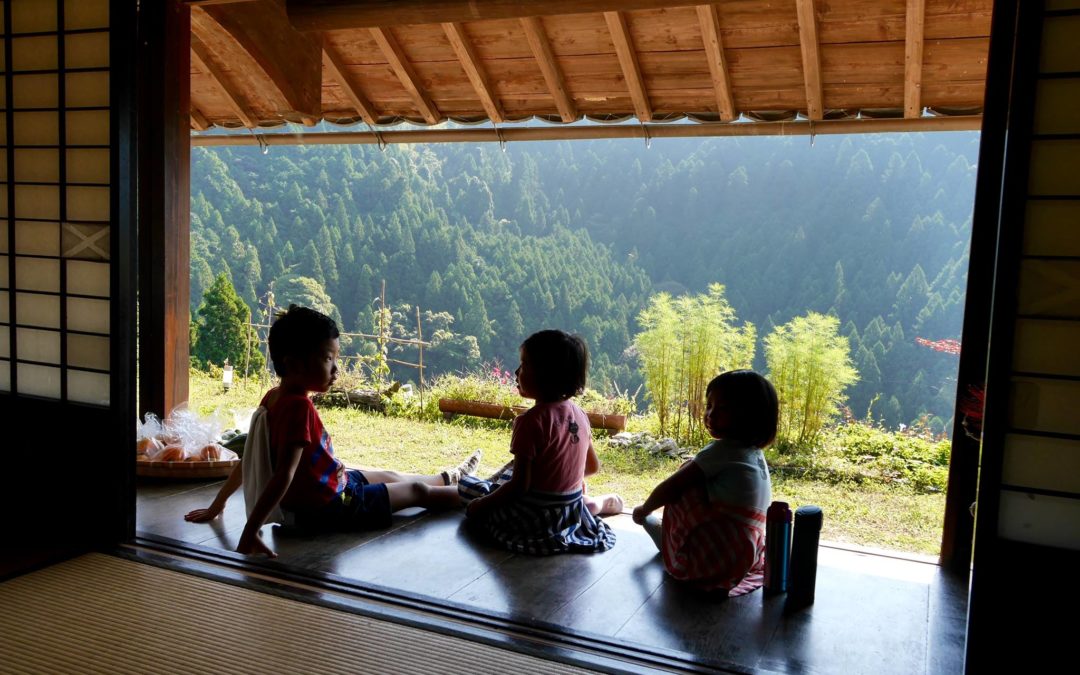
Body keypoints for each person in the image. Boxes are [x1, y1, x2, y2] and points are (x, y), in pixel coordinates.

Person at [184, 305, 479, 557]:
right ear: (293, 363)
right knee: (416, 492)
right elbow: (282, 475)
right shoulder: (299, 409)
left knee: (389, 475)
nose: (336, 368)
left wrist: (217, 505)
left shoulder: (273, 397)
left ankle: (450, 478)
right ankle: (478, 497)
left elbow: (250, 459)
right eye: (328, 359)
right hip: (330, 507)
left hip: (334, 486)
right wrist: (250, 532)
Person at [459, 330, 618, 555]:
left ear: (544, 373)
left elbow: (519, 486)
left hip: (536, 519)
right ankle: (602, 503)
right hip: (569, 514)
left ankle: (454, 480)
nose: (516, 372)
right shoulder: (580, 414)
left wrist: (479, 507)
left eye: (523, 365)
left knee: (472, 489)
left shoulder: (530, 421)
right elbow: (592, 467)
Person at [632, 370, 777, 596]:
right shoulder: (754, 453)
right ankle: (665, 535)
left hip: (711, 559)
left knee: (687, 480)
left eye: (722, 409)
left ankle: (665, 538)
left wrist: (645, 507)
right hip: (744, 557)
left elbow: (672, 487)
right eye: (709, 406)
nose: (710, 414)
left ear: (749, 416)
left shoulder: (724, 450)